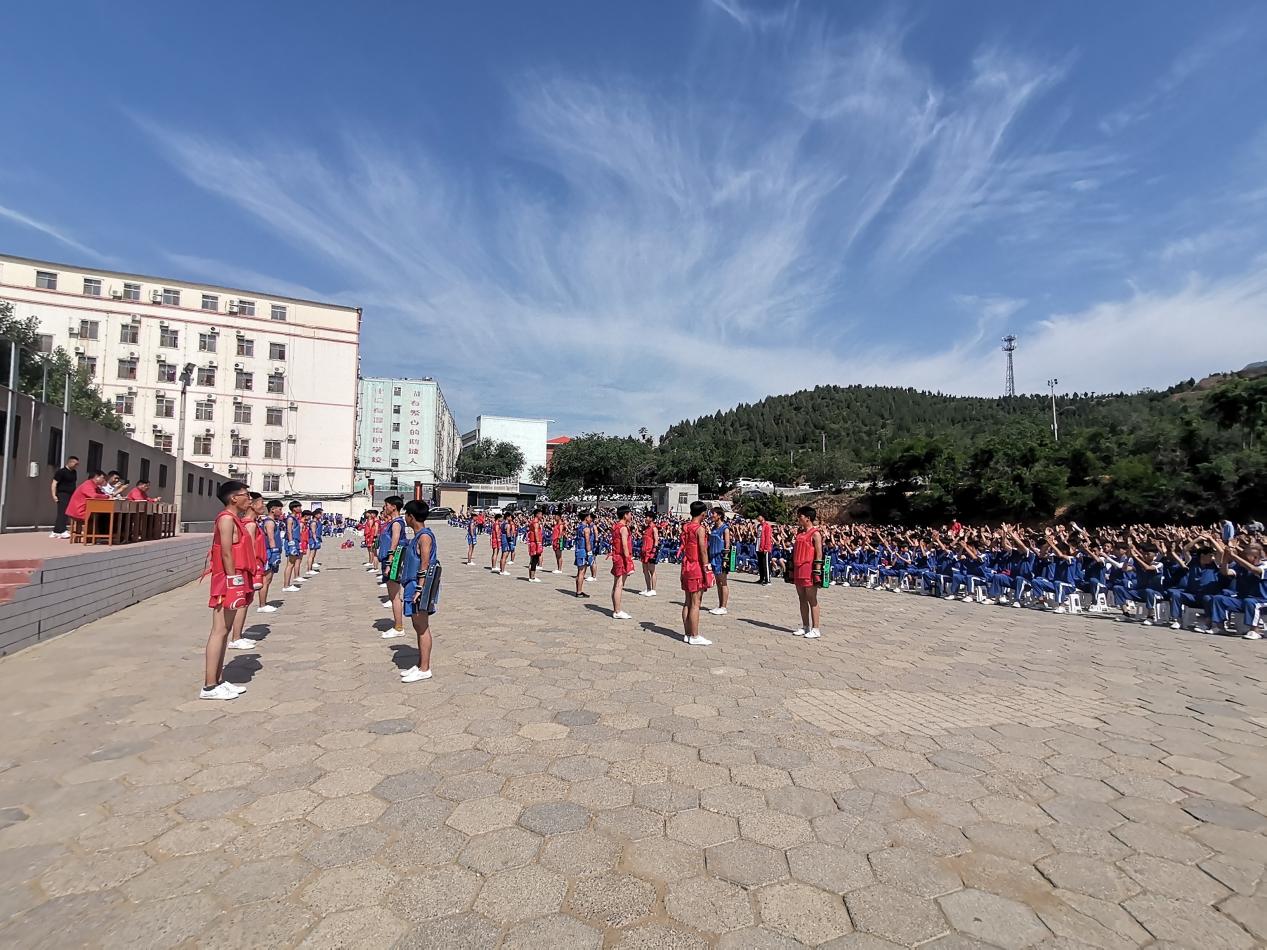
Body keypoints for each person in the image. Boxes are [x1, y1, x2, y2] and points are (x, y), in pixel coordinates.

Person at [201, 480, 254, 701]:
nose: (249, 499)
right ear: (234, 497)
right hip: (226, 580)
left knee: (224, 630)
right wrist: (233, 580)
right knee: (219, 630)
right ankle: (210, 686)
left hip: (234, 577)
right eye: (246, 495)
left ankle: (219, 679)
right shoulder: (225, 519)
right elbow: (225, 553)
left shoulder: (235, 519)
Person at [398, 499, 440, 683]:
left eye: (406, 514)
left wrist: (419, 589)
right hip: (412, 585)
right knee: (417, 625)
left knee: (422, 626)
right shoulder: (417, 536)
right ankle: (420, 663)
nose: (404, 518)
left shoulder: (424, 536)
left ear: (411, 516)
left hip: (419, 587)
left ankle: (425, 668)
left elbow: (425, 563)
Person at [227, 493, 265, 651]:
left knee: (245, 602)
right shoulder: (250, 524)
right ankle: (236, 637)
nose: (263, 506)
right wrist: (255, 568)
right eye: (261, 503)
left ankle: (238, 635)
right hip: (248, 566)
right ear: (253, 506)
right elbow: (249, 548)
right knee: (242, 602)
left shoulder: (250, 523)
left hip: (249, 565)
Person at [679, 501, 713, 646]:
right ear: (703, 513)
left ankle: (687, 633)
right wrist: (707, 568)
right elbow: (703, 550)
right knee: (695, 603)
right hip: (696, 566)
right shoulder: (699, 529)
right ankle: (694, 635)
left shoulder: (686, 527)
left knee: (687, 601)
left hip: (686, 565)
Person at [791, 505, 824, 639]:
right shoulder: (800, 533)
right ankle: (805, 626)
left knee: (812, 599)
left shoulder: (815, 533)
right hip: (798, 567)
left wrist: (817, 571)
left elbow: (819, 554)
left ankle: (816, 628)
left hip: (809, 569)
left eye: (800, 516)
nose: (798, 519)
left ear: (808, 518)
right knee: (801, 598)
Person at [378, 496, 407, 638]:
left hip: (394, 561)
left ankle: (399, 627)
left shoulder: (397, 523)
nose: (385, 507)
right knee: (392, 595)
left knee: (395, 596)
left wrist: (389, 563)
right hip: (391, 560)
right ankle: (397, 625)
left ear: (393, 507)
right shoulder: (393, 522)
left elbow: (394, 544)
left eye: (387, 505)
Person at [257, 499, 283, 612]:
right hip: (269, 552)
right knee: (266, 579)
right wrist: (274, 551)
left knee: (269, 578)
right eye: (279, 509)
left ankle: (264, 602)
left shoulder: (272, 521)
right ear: (273, 509)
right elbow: (271, 538)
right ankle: (262, 605)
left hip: (271, 551)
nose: (281, 512)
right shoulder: (269, 522)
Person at [610, 506, 635, 619]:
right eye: (630, 514)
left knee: (616, 584)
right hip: (621, 558)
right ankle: (617, 611)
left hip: (616, 556)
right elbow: (625, 545)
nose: (631, 516)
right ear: (625, 515)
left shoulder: (616, 526)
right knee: (620, 584)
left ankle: (616, 608)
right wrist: (628, 561)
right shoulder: (623, 528)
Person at [65, 469, 109, 533]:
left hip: (86, 509)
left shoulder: (95, 486)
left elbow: (101, 494)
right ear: (97, 477)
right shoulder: (88, 484)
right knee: (104, 515)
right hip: (79, 511)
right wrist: (107, 497)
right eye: (103, 478)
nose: (104, 480)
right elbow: (94, 496)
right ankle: (98, 535)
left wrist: (107, 495)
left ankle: (96, 536)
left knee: (105, 514)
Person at [707, 507, 731, 616]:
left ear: (719, 515)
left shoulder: (725, 529)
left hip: (721, 557)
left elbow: (727, 544)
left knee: (723, 582)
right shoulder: (713, 528)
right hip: (713, 556)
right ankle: (720, 604)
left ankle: (724, 606)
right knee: (718, 582)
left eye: (713, 514)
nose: (712, 515)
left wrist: (725, 560)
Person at [49, 455, 80, 538]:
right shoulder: (61, 472)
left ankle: (56, 531)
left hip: (71, 494)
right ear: (70, 462)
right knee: (62, 512)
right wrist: (54, 495)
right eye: (75, 464)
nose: (76, 466)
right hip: (62, 494)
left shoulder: (74, 472)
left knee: (66, 512)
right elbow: (54, 483)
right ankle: (62, 530)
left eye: (77, 464)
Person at [282, 501, 304, 592]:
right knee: (290, 564)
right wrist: (291, 543)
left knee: (293, 563)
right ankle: (286, 585)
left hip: (296, 541)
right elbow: (289, 531)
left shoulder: (295, 518)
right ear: (294, 508)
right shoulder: (290, 519)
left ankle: (288, 584)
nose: (300, 509)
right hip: (292, 541)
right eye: (298, 507)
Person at [574, 511, 596, 597]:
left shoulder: (579, 527)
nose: (591, 519)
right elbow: (587, 542)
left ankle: (578, 590)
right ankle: (579, 592)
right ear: (586, 517)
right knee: (582, 572)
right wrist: (589, 552)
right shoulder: (586, 529)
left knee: (579, 571)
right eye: (590, 517)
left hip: (579, 549)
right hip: (583, 551)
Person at [640, 515, 659, 596]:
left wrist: (654, 551)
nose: (645, 518)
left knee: (652, 570)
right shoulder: (646, 528)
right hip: (644, 552)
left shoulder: (654, 528)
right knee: (645, 571)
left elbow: (656, 540)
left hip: (650, 552)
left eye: (647, 517)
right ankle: (648, 588)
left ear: (651, 518)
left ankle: (653, 589)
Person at [526, 508, 545, 583]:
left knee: (532, 559)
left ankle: (531, 576)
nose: (542, 515)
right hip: (535, 543)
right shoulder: (536, 523)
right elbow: (536, 533)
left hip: (532, 542)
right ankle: (532, 577)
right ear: (537, 514)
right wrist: (538, 543)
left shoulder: (532, 522)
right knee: (535, 559)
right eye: (540, 514)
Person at [757, 513, 773, 585]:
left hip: (765, 548)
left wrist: (766, 548)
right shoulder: (759, 526)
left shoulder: (767, 526)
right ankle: (761, 578)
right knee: (760, 564)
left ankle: (768, 580)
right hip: (759, 546)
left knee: (765, 564)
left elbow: (767, 538)